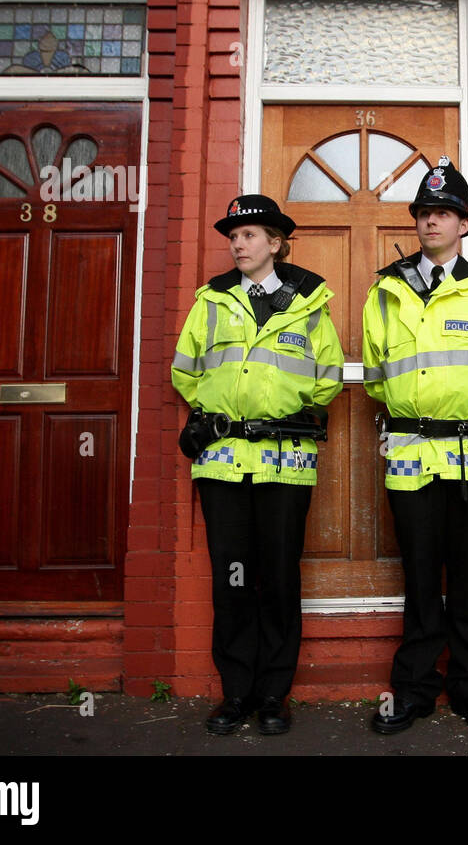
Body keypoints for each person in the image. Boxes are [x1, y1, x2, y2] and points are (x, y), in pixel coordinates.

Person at [171, 194, 344, 736]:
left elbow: (329, 374)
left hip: (285, 461)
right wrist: (221, 411)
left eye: (249, 235)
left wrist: (288, 410)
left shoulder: (310, 302)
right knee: (232, 578)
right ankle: (236, 694)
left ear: (276, 243)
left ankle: (273, 693)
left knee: (277, 577)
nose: (238, 243)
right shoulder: (212, 301)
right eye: (233, 236)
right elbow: (186, 370)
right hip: (223, 461)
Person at [363, 156, 468, 734]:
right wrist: (417, 411)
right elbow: (377, 371)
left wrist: (458, 408)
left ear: (464, 225)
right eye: (425, 212)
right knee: (421, 574)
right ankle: (414, 690)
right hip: (407, 450)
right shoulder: (386, 289)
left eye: (444, 212)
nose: (431, 222)